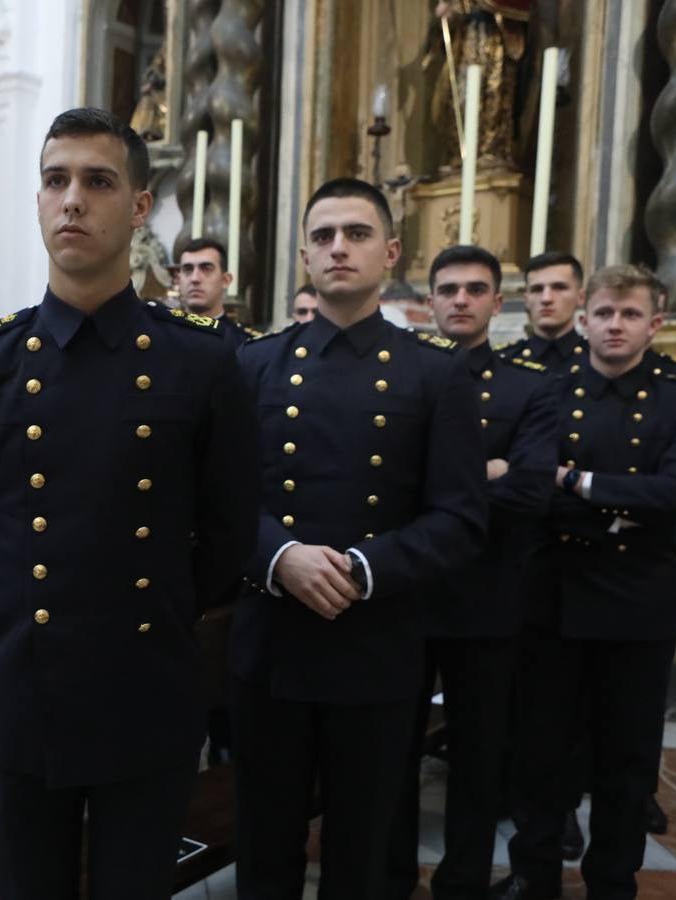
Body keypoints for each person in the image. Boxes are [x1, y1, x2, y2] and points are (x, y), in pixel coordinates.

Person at [0, 107, 259, 900]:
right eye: (55, 180)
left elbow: (226, 535)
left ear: (139, 206)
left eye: (98, 181)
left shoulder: (202, 362)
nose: (72, 199)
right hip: (22, 693)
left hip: (146, 693)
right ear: (40, 200)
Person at [232, 178, 487, 899]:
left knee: (363, 852)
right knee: (265, 845)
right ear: (305, 257)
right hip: (270, 644)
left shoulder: (436, 373)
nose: (338, 248)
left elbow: (461, 518)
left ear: (391, 252)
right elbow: (218, 504)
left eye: (356, 233)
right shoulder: (254, 366)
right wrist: (280, 558)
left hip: (375, 644)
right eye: (322, 236)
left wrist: (364, 566)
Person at [492, 265, 676, 900]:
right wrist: (617, 512)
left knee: (627, 759)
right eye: (605, 314)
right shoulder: (548, 389)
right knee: (539, 752)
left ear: (655, 324)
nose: (615, 325)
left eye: (631, 314)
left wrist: (578, 482)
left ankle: (613, 883)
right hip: (552, 595)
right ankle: (533, 876)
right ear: (584, 319)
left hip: (637, 604)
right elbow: (527, 490)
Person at [385, 245, 557, 900]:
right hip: (407, 596)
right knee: (391, 753)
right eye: (448, 289)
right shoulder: (399, 377)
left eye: (475, 289)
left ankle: (462, 884)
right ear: (429, 301)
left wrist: (443, 486)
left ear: (495, 302)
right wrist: (485, 471)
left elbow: (533, 491)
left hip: (488, 599)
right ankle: (390, 877)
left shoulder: (527, 387)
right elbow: (384, 487)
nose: (460, 299)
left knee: (480, 759)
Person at [498, 251, 587, 373]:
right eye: (537, 289)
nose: (546, 299)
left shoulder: (599, 360)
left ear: (580, 297)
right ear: (526, 299)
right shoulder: (502, 363)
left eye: (559, 287)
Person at [176, 236, 261, 346]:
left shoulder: (245, 343)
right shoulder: (162, 336)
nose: (195, 278)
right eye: (188, 269)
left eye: (206, 268)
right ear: (178, 280)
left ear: (225, 280)